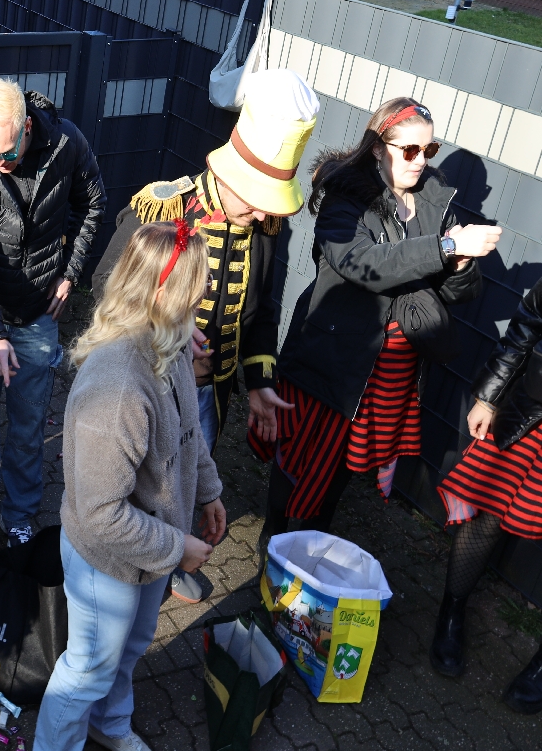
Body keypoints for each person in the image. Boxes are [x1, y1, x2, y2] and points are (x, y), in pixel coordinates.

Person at [92, 68, 318, 603]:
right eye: (257, 198)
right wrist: (168, 330)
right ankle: (123, 568)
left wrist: (260, 382)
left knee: (184, 483)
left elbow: (262, 310)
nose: (263, 212)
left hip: (208, 395)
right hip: (145, 384)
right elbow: (105, 286)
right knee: (135, 481)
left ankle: (170, 560)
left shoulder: (266, 225)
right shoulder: (166, 206)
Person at [254, 98, 499, 544]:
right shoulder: (347, 195)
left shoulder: (434, 203)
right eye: (410, 150)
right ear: (377, 147)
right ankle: (274, 538)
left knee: (345, 467)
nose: (420, 161)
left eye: (429, 150)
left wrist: (461, 265)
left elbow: (457, 293)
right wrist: (445, 247)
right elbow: (363, 263)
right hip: (336, 359)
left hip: (391, 375)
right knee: (299, 457)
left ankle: (312, 542)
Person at [36, 221, 225, 751]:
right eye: (198, 285)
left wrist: (208, 491)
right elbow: (101, 514)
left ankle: (109, 725)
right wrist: (177, 546)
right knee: (88, 669)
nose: (207, 294)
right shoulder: (118, 386)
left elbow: (188, 431)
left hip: (147, 551)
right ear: (164, 294)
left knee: (130, 647)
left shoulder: (170, 342)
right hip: (108, 561)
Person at [0, 81, 106, 547]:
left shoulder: (67, 144)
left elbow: (92, 203)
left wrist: (70, 272)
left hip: (38, 315)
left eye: (7, 152)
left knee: (28, 425)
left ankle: (19, 510)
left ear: (27, 127)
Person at [431, 275, 542, 713]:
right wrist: (491, 396)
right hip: (534, 412)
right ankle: (451, 613)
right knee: (488, 512)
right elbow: (529, 319)